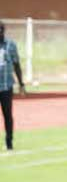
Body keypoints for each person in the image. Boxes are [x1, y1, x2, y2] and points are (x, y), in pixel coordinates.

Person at [0, 20, 26, 150]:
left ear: (3, 31)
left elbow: (16, 65)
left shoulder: (10, 45)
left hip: (6, 86)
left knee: (7, 115)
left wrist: (21, 83)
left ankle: (9, 141)